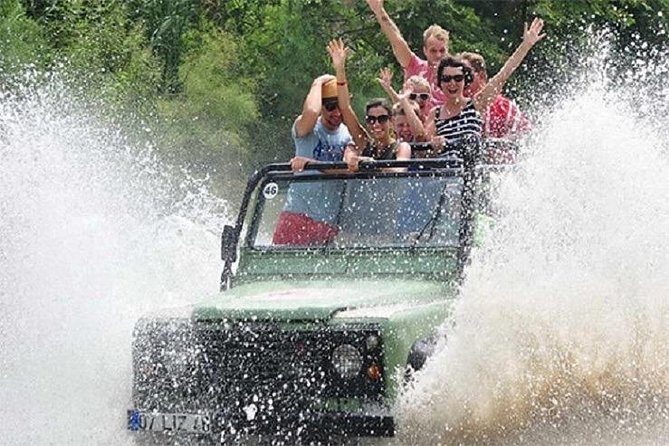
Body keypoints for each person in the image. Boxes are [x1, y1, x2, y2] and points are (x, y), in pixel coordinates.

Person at [425, 18, 545, 159]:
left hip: (471, 175)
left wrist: (526, 45)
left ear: (465, 80)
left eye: (458, 78)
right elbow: (423, 151)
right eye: (446, 79)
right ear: (440, 83)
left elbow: (502, 76)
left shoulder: (476, 105)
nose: (452, 83)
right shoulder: (435, 114)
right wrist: (434, 145)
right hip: (445, 174)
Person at [272, 74, 354, 246]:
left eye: (340, 106)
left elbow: (349, 167)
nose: (337, 113)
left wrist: (311, 164)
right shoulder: (306, 127)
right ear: (321, 105)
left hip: (328, 223)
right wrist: (317, 83)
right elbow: (311, 111)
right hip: (297, 215)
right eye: (331, 106)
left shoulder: (347, 134)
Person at [326, 38, 411, 171]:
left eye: (382, 119)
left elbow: (399, 170)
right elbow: (345, 108)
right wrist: (340, 70)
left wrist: (370, 163)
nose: (376, 124)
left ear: (391, 121)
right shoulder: (365, 143)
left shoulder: (401, 147)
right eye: (371, 119)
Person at [367, 0, 449, 107]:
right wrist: (380, 12)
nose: (438, 55)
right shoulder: (415, 66)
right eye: (433, 50)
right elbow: (397, 40)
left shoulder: (455, 77)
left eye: (442, 50)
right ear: (425, 50)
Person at [460, 51, 531, 140]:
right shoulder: (451, 108)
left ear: (481, 76)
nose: (460, 82)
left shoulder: (504, 107)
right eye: (457, 77)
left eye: (466, 76)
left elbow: (526, 136)